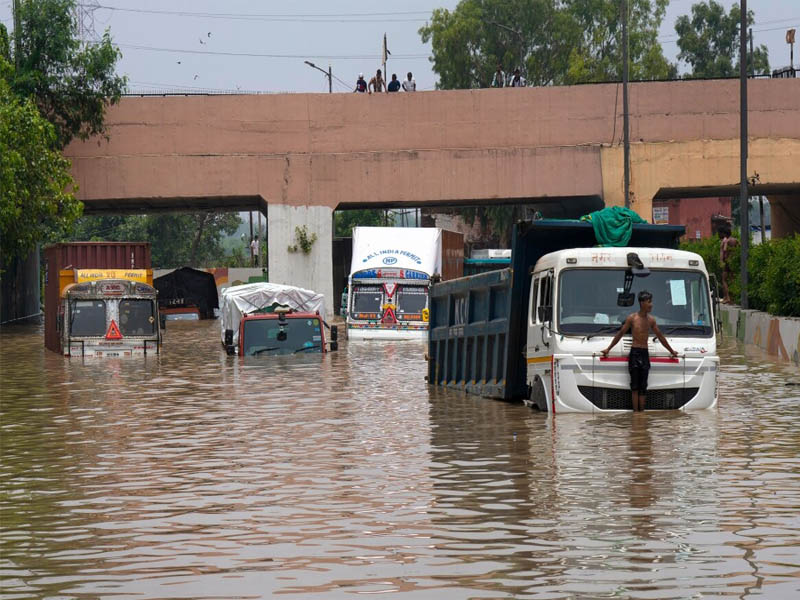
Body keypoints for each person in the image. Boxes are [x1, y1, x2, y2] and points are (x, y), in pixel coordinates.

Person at [601, 290, 678, 412]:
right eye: (649, 302)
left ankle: (641, 414)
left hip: (644, 353)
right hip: (635, 353)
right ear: (642, 303)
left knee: (643, 386)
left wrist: (672, 351)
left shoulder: (651, 320)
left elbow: (661, 337)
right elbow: (620, 333)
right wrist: (608, 349)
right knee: (634, 386)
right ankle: (636, 414)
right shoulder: (632, 318)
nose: (651, 304)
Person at [719, 224, 738, 304]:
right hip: (734, 261)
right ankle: (733, 298)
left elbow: (724, 250)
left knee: (724, 280)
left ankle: (727, 297)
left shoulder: (726, 241)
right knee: (732, 280)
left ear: (724, 234)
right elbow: (739, 247)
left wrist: (722, 260)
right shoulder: (735, 240)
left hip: (727, 262)